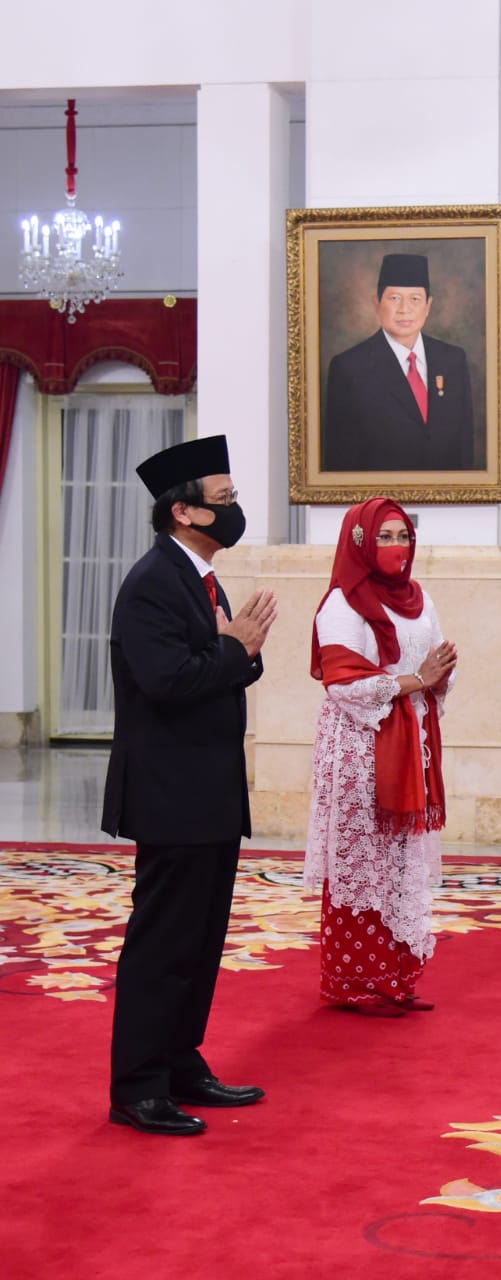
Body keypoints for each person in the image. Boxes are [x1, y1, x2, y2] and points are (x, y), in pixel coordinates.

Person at [103, 435, 278, 1137]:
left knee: (201, 940)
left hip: (208, 790)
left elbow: (226, 659)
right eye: (226, 501)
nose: (236, 511)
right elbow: (169, 681)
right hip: (171, 793)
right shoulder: (152, 582)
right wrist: (235, 648)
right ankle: (137, 1086)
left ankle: (180, 1062)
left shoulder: (200, 577)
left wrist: (237, 649)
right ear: (185, 512)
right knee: (162, 943)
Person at [303, 497, 457, 1015]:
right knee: (361, 864)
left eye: (403, 536)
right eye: (385, 537)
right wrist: (416, 680)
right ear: (360, 543)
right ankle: (353, 983)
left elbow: (435, 663)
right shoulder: (342, 604)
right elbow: (342, 683)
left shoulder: (419, 598)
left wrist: (438, 674)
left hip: (409, 744)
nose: (397, 547)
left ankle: (395, 977)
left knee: (400, 862)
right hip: (359, 749)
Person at [322, 252, 476, 472]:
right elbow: (339, 461)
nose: (405, 308)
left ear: (428, 306)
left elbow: (464, 448)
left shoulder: (452, 360)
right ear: (377, 303)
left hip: (448, 501)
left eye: (415, 299)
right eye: (394, 298)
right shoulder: (349, 368)